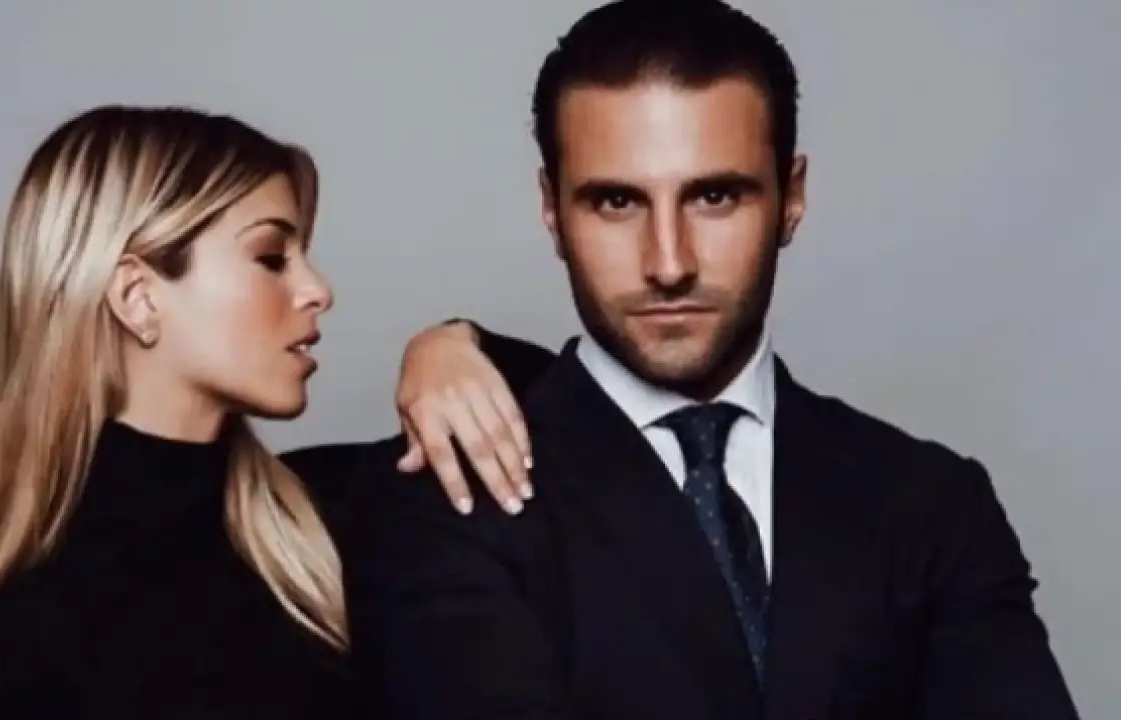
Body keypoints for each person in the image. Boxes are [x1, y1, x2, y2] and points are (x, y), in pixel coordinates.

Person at [344, 2, 1080, 718]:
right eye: (616, 203)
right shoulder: (449, 501)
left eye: (715, 196)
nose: (669, 263)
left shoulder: (932, 503)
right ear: (551, 210)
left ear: (792, 197)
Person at [0, 105, 552, 719]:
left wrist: (449, 347)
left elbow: (571, 417)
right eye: (271, 258)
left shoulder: (328, 519)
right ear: (137, 297)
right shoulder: (0, 659)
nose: (318, 290)